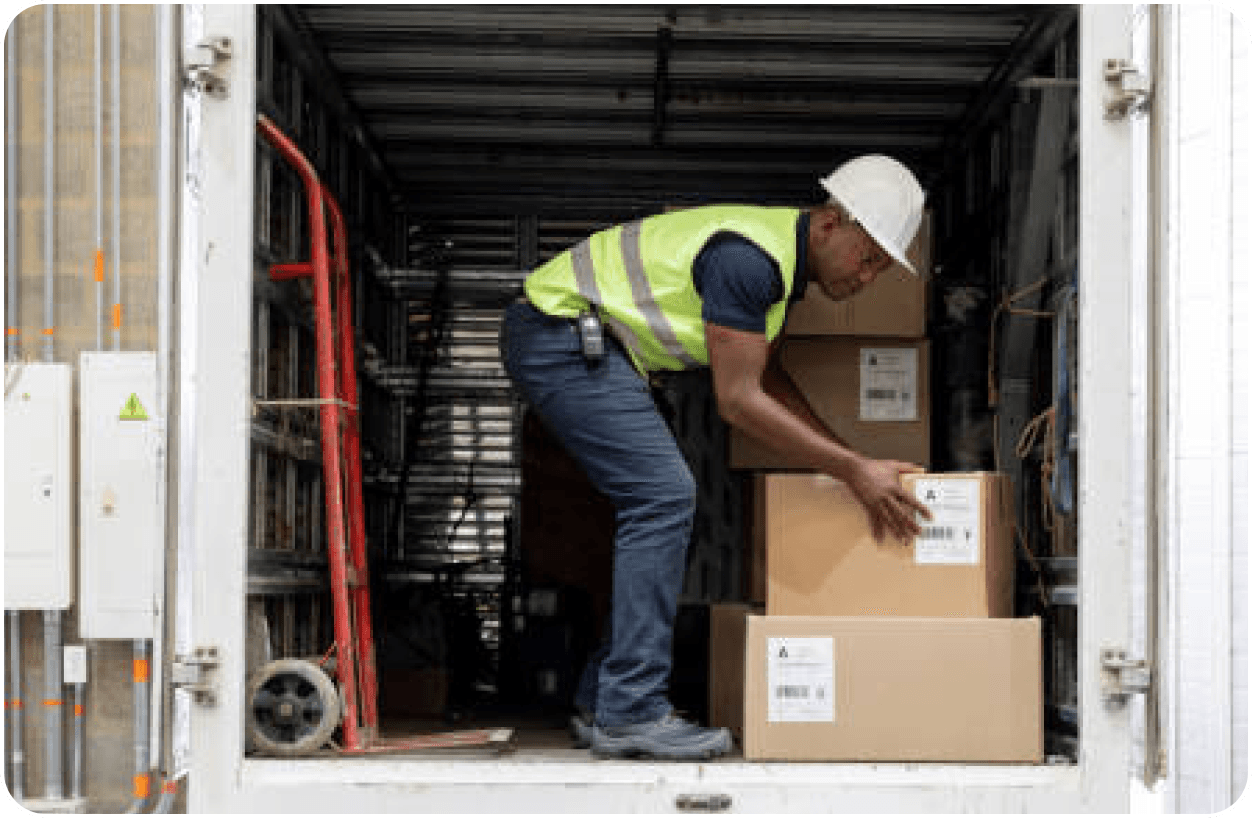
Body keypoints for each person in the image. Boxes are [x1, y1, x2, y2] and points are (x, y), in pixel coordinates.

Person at [498, 155, 934, 760]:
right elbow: (738, 399)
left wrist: (849, 458)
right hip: (562, 334)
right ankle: (631, 710)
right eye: (867, 259)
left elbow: (766, 379)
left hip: (586, 344)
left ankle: (605, 698)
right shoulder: (748, 260)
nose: (867, 279)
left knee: (664, 506)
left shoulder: (779, 272)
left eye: (881, 270)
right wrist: (852, 471)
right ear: (831, 224)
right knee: (662, 497)